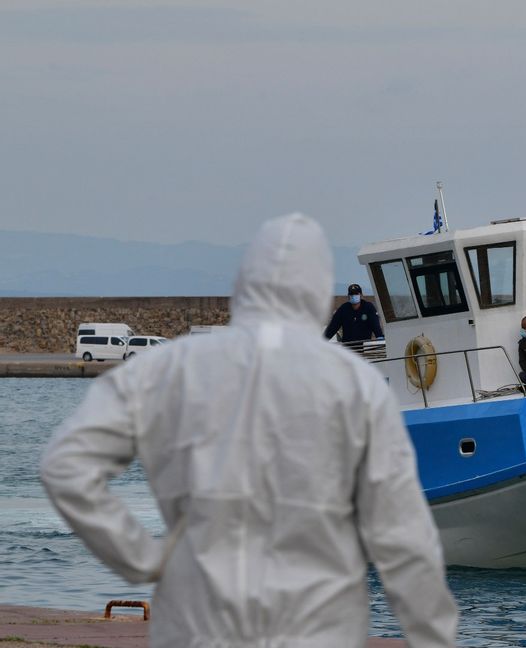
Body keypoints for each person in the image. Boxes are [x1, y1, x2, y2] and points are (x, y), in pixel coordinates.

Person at [40, 214, 458, 648]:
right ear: (318, 292)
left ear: (244, 283)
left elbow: (65, 466)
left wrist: (140, 557)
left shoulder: (164, 369)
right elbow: (402, 534)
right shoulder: (357, 386)